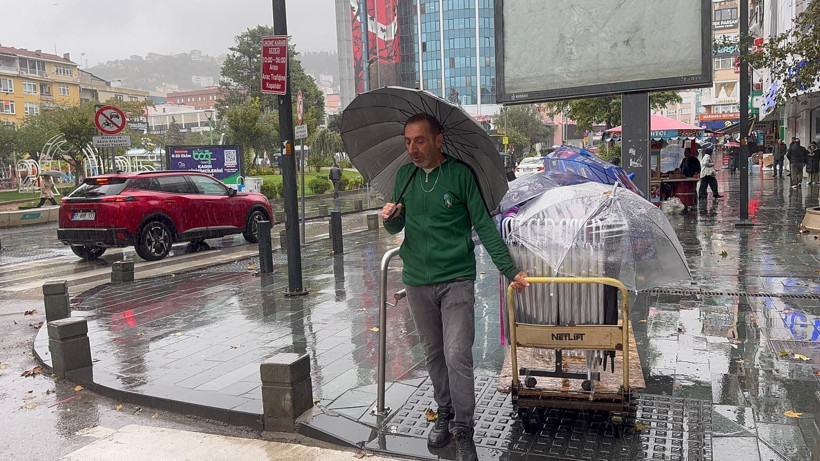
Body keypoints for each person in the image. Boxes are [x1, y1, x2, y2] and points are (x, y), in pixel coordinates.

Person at [381, 113, 528, 461]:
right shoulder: (406, 176)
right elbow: (397, 226)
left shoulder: (461, 175)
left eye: (419, 140)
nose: (412, 149)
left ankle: (463, 427)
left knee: (457, 354)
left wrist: (510, 270)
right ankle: (443, 412)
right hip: (417, 280)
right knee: (433, 354)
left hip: (457, 279)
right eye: (407, 142)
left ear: (438, 140)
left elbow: (485, 226)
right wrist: (390, 217)